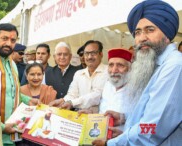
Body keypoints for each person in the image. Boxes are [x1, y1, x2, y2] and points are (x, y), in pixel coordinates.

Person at [93, 1, 182, 145]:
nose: (142, 38)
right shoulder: (154, 65)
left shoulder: (174, 67)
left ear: (167, 34)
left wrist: (112, 144)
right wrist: (125, 118)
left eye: (150, 30)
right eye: (138, 32)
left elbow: (153, 128)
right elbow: (150, 111)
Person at [0, 23, 38, 146]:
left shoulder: (11, 63)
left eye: (12, 40)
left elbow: (12, 92)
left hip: (11, 136)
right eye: (4, 38)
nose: (8, 43)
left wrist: (28, 100)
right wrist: (1, 127)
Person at [49, 40, 108, 112]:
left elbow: (97, 95)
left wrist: (72, 103)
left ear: (101, 54)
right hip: (80, 117)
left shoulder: (108, 72)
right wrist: (62, 101)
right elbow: (72, 94)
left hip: (100, 118)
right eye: (86, 53)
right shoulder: (78, 74)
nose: (89, 57)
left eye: (93, 53)